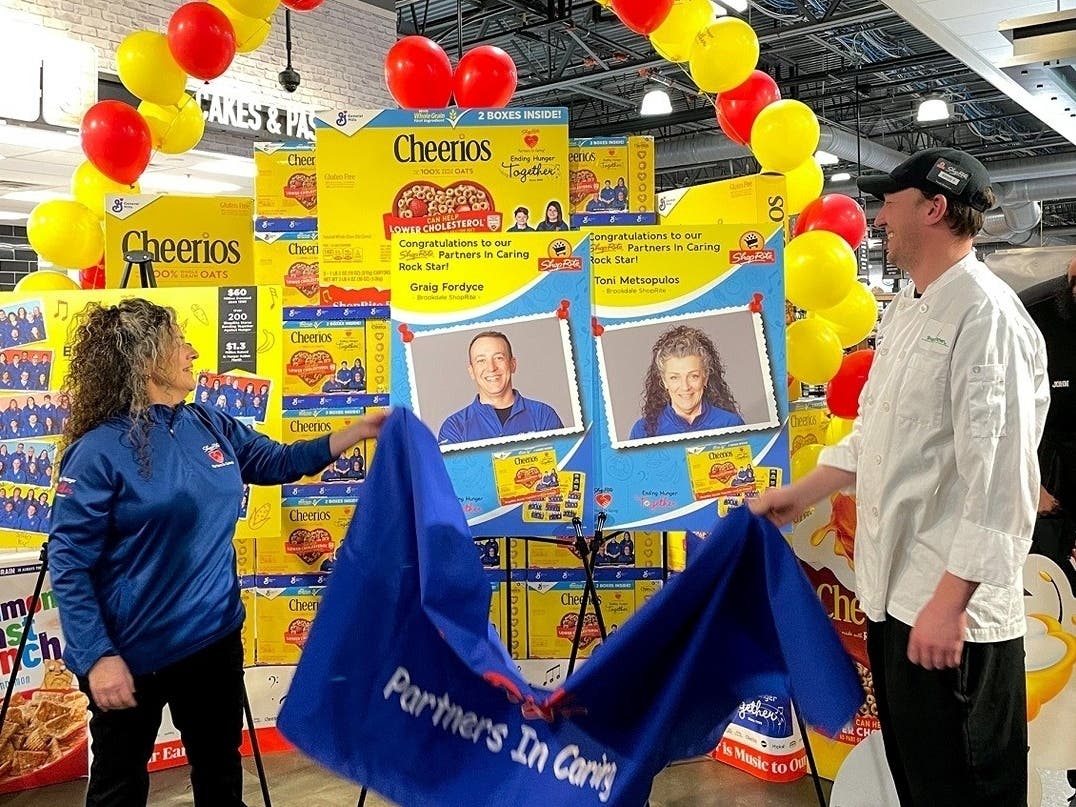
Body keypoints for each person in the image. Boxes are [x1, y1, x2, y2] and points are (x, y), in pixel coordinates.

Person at [750, 148, 1048, 806]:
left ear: (935, 208)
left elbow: (1000, 480)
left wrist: (949, 602)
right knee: (920, 782)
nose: (878, 217)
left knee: (967, 788)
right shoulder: (911, 311)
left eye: (892, 202)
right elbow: (875, 437)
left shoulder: (985, 317)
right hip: (897, 605)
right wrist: (799, 495)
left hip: (953, 619)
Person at [47, 299, 388, 807]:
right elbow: (69, 562)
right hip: (131, 652)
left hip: (213, 637)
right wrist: (98, 656)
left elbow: (277, 461)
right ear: (144, 359)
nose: (192, 350)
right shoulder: (98, 452)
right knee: (118, 786)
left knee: (221, 776)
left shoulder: (208, 423)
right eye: (178, 340)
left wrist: (358, 431)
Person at [1019, 255, 1076, 802]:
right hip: (1047, 498)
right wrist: (1027, 481)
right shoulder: (1032, 314)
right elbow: (1003, 413)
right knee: (1048, 625)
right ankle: (1047, 748)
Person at [437, 331, 563, 445]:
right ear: (471, 371)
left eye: (499, 358)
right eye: (481, 360)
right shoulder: (454, 428)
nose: (491, 367)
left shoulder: (543, 415)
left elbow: (564, 464)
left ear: (512, 364)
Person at [629, 325, 745, 440]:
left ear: (705, 378)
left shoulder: (730, 424)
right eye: (675, 377)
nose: (685, 387)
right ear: (664, 381)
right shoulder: (642, 431)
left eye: (693, 376)